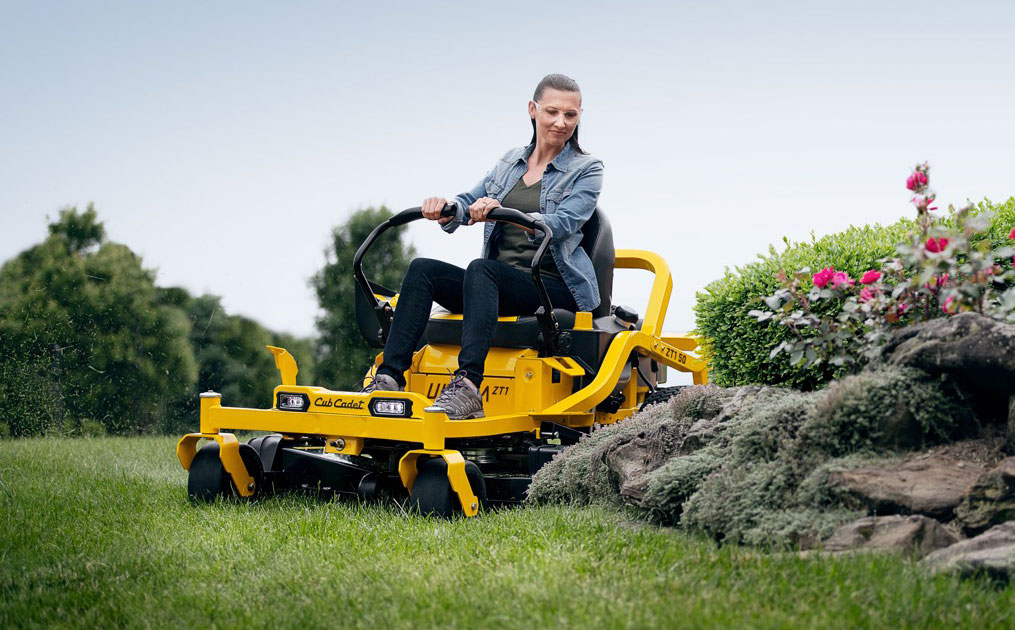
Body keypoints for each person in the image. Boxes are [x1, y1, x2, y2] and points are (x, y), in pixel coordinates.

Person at [364, 73, 604, 419]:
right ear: (533, 110)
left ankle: (467, 387)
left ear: (579, 116)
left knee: (481, 270)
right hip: (498, 283)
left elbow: (564, 223)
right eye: (552, 112)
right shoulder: (509, 162)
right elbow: (470, 200)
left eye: (571, 115)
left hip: (551, 286)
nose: (561, 122)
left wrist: (505, 215)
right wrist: (446, 208)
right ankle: (388, 377)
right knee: (422, 269)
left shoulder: (587, 169)